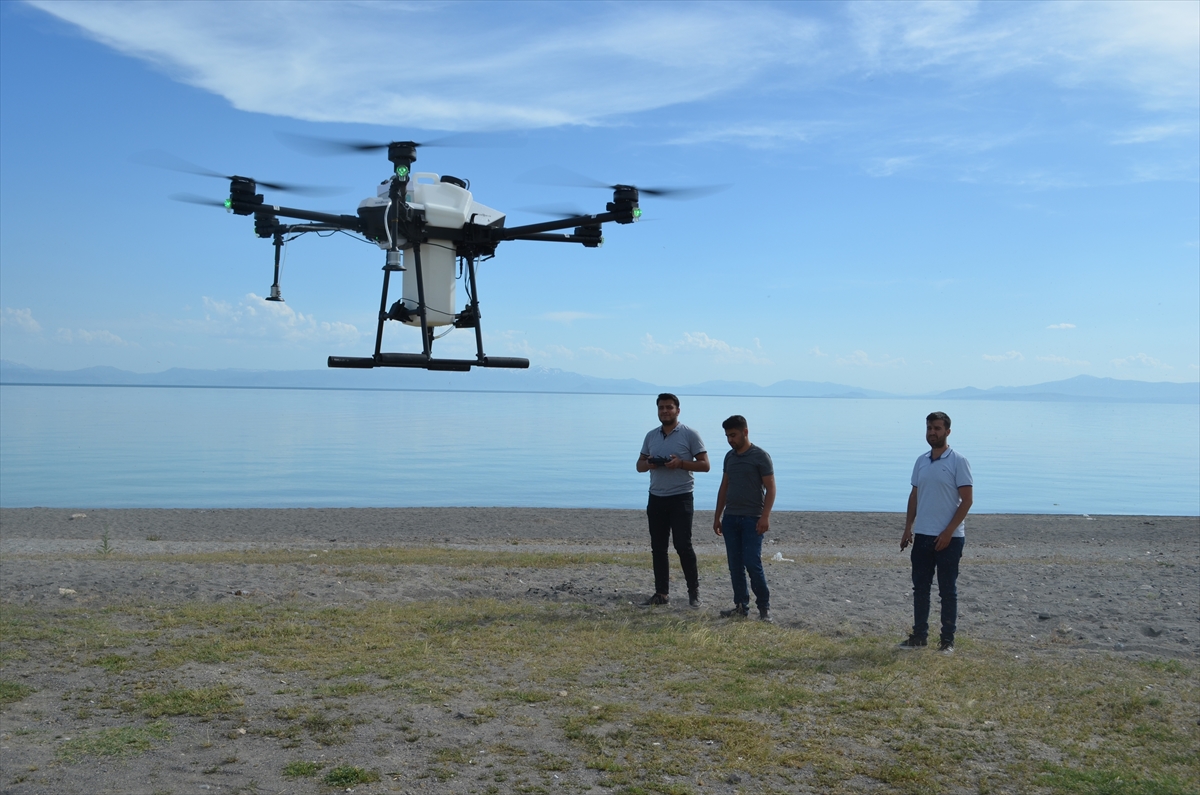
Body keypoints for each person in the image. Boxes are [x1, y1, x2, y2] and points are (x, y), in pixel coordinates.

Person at [899, 411, 974, 653]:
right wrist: (908, 528)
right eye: (930, 428)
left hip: (950, 539)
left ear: (947, 432)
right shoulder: (921, 461)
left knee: (947, 590)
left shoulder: (958, 461)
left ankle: (947, 641)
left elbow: (967, 500)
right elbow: (915, 496)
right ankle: (919, 636)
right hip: (922, 535)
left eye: (938, 428)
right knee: (920, 588)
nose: (933, 432)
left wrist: (948, 532)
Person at [636, 393, 710, 607]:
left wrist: (681, 464)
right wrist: (649, 463)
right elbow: (639, 466)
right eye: (661, 408)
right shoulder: (651, 436)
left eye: (669, 407)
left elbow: (705, 465)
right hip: (656, 497)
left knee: (683, 546)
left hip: (681, 498)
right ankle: (661, 593)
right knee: (658, 548)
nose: (665, 411)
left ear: (678, 410)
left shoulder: (690, 434)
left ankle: (694, 592)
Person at [712, 415, 776, 622]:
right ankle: (741, 606)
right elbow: (724, 487)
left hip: (752, 519)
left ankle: (764, 608)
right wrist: (717, 516)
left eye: (733, 435)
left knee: (752, 562)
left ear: (745, 432)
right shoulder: (729, 457)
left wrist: (765, 516)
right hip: (731, 518)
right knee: (735, 564)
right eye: (727, 436)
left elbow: (771, 488)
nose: (730, 440)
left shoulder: (760, 456)